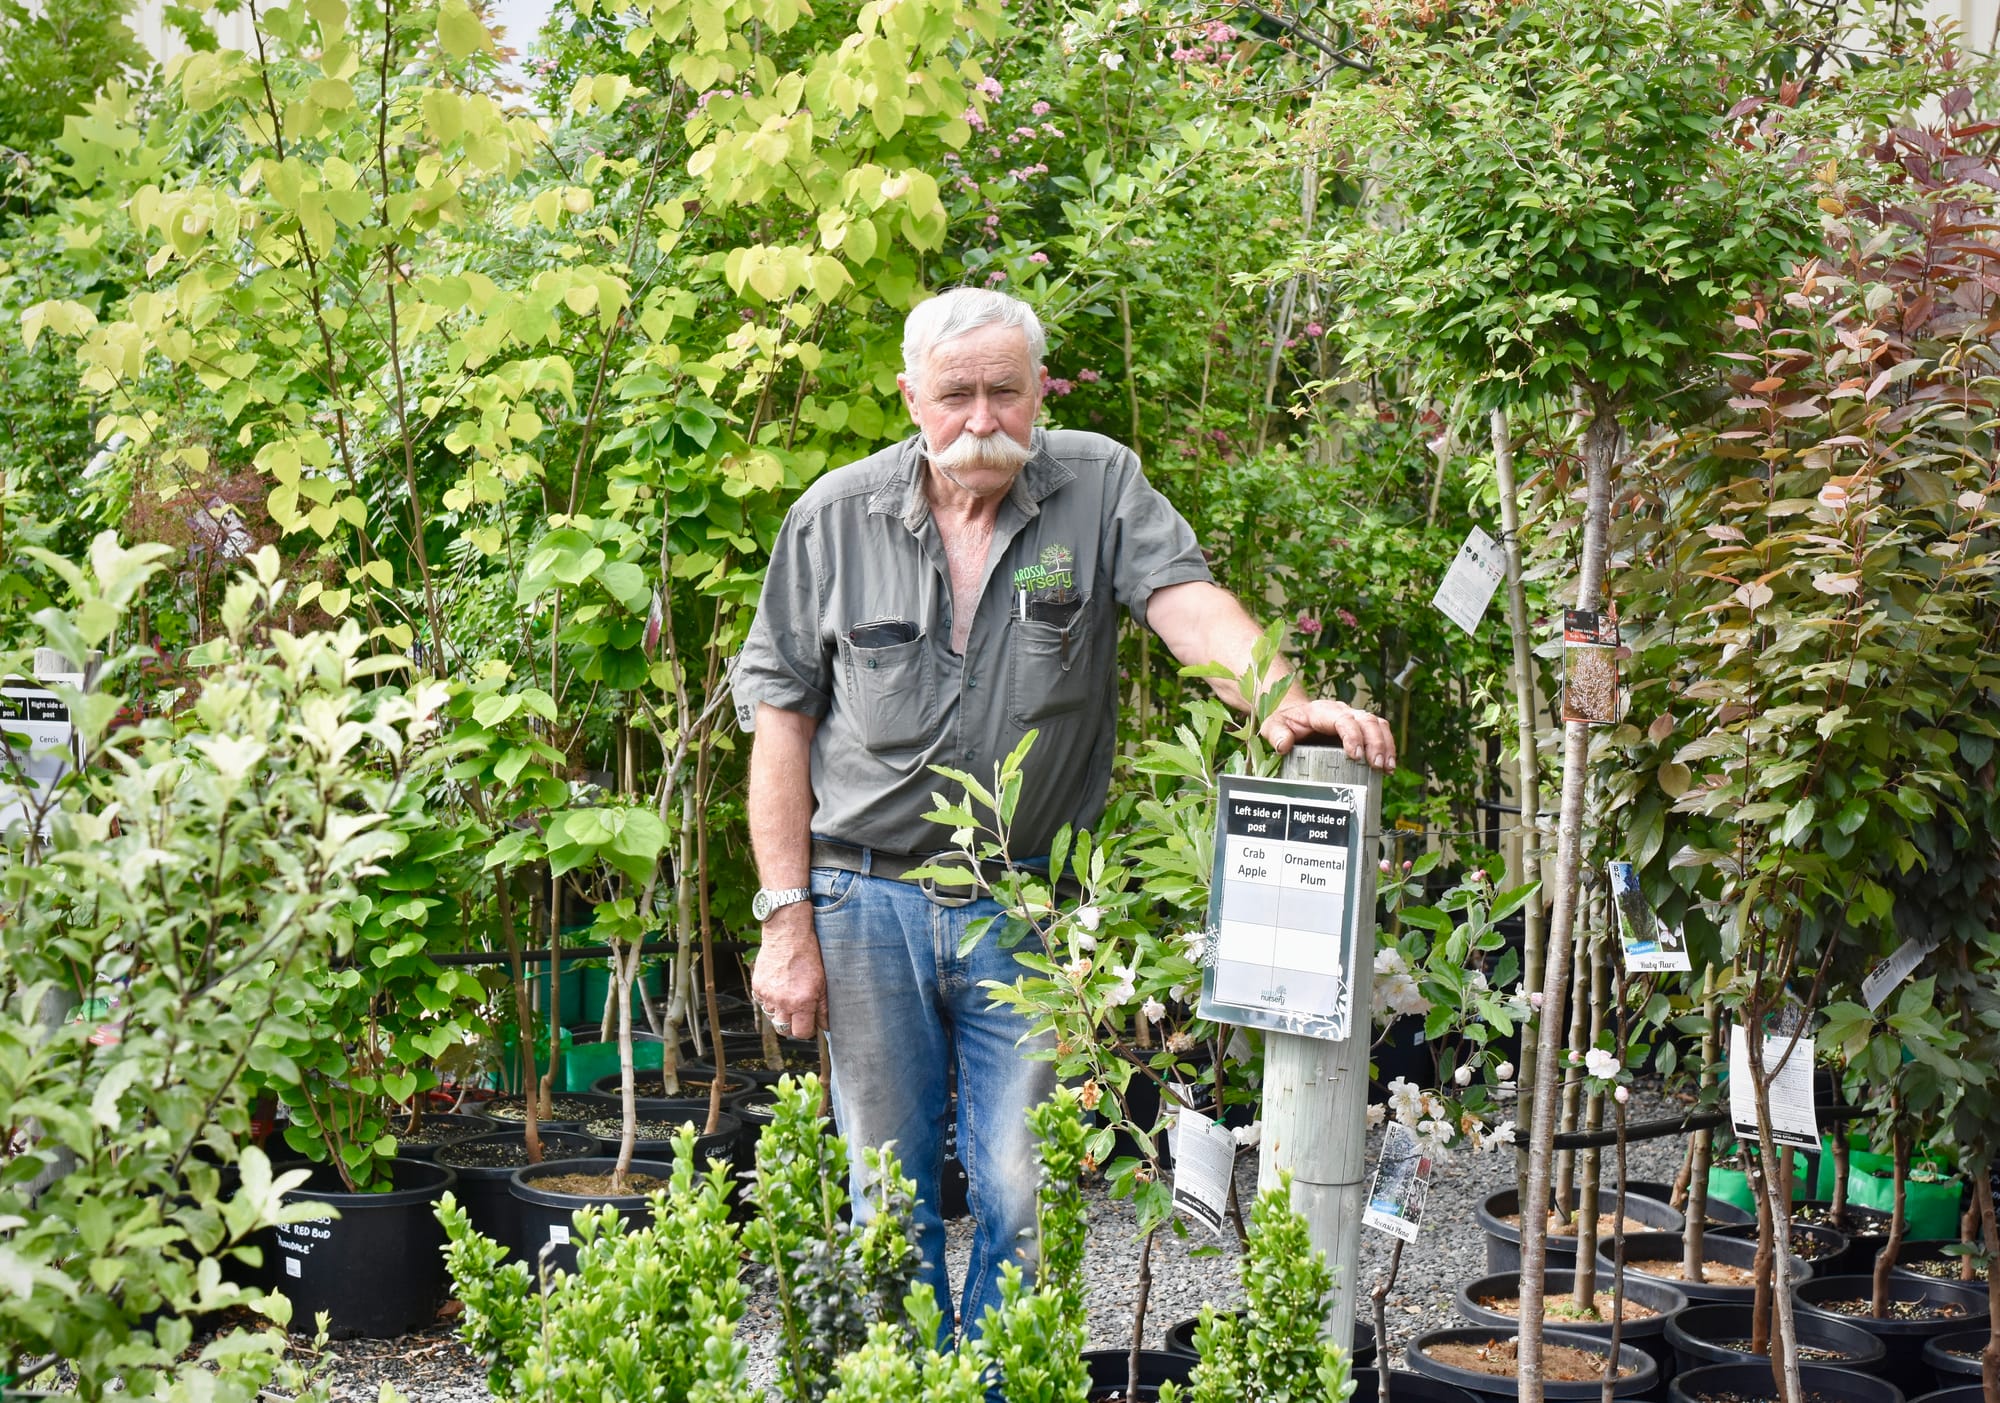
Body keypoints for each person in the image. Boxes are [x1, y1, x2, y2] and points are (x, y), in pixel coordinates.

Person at [734, 287, 1395, 1339]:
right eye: (955, 395)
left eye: (1005, 390)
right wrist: (785, 923)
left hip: (1030, 901)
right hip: (863, 897)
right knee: (883, 1194)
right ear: (910, 396)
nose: (981, 418)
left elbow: (1184, 601)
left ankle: (1001, 1381)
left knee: (1021, 1188)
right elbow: (779, 729)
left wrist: (1282, 698)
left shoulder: (1097, 484)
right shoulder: (832, 516)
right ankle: (902, 1384)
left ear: (1039, 390)